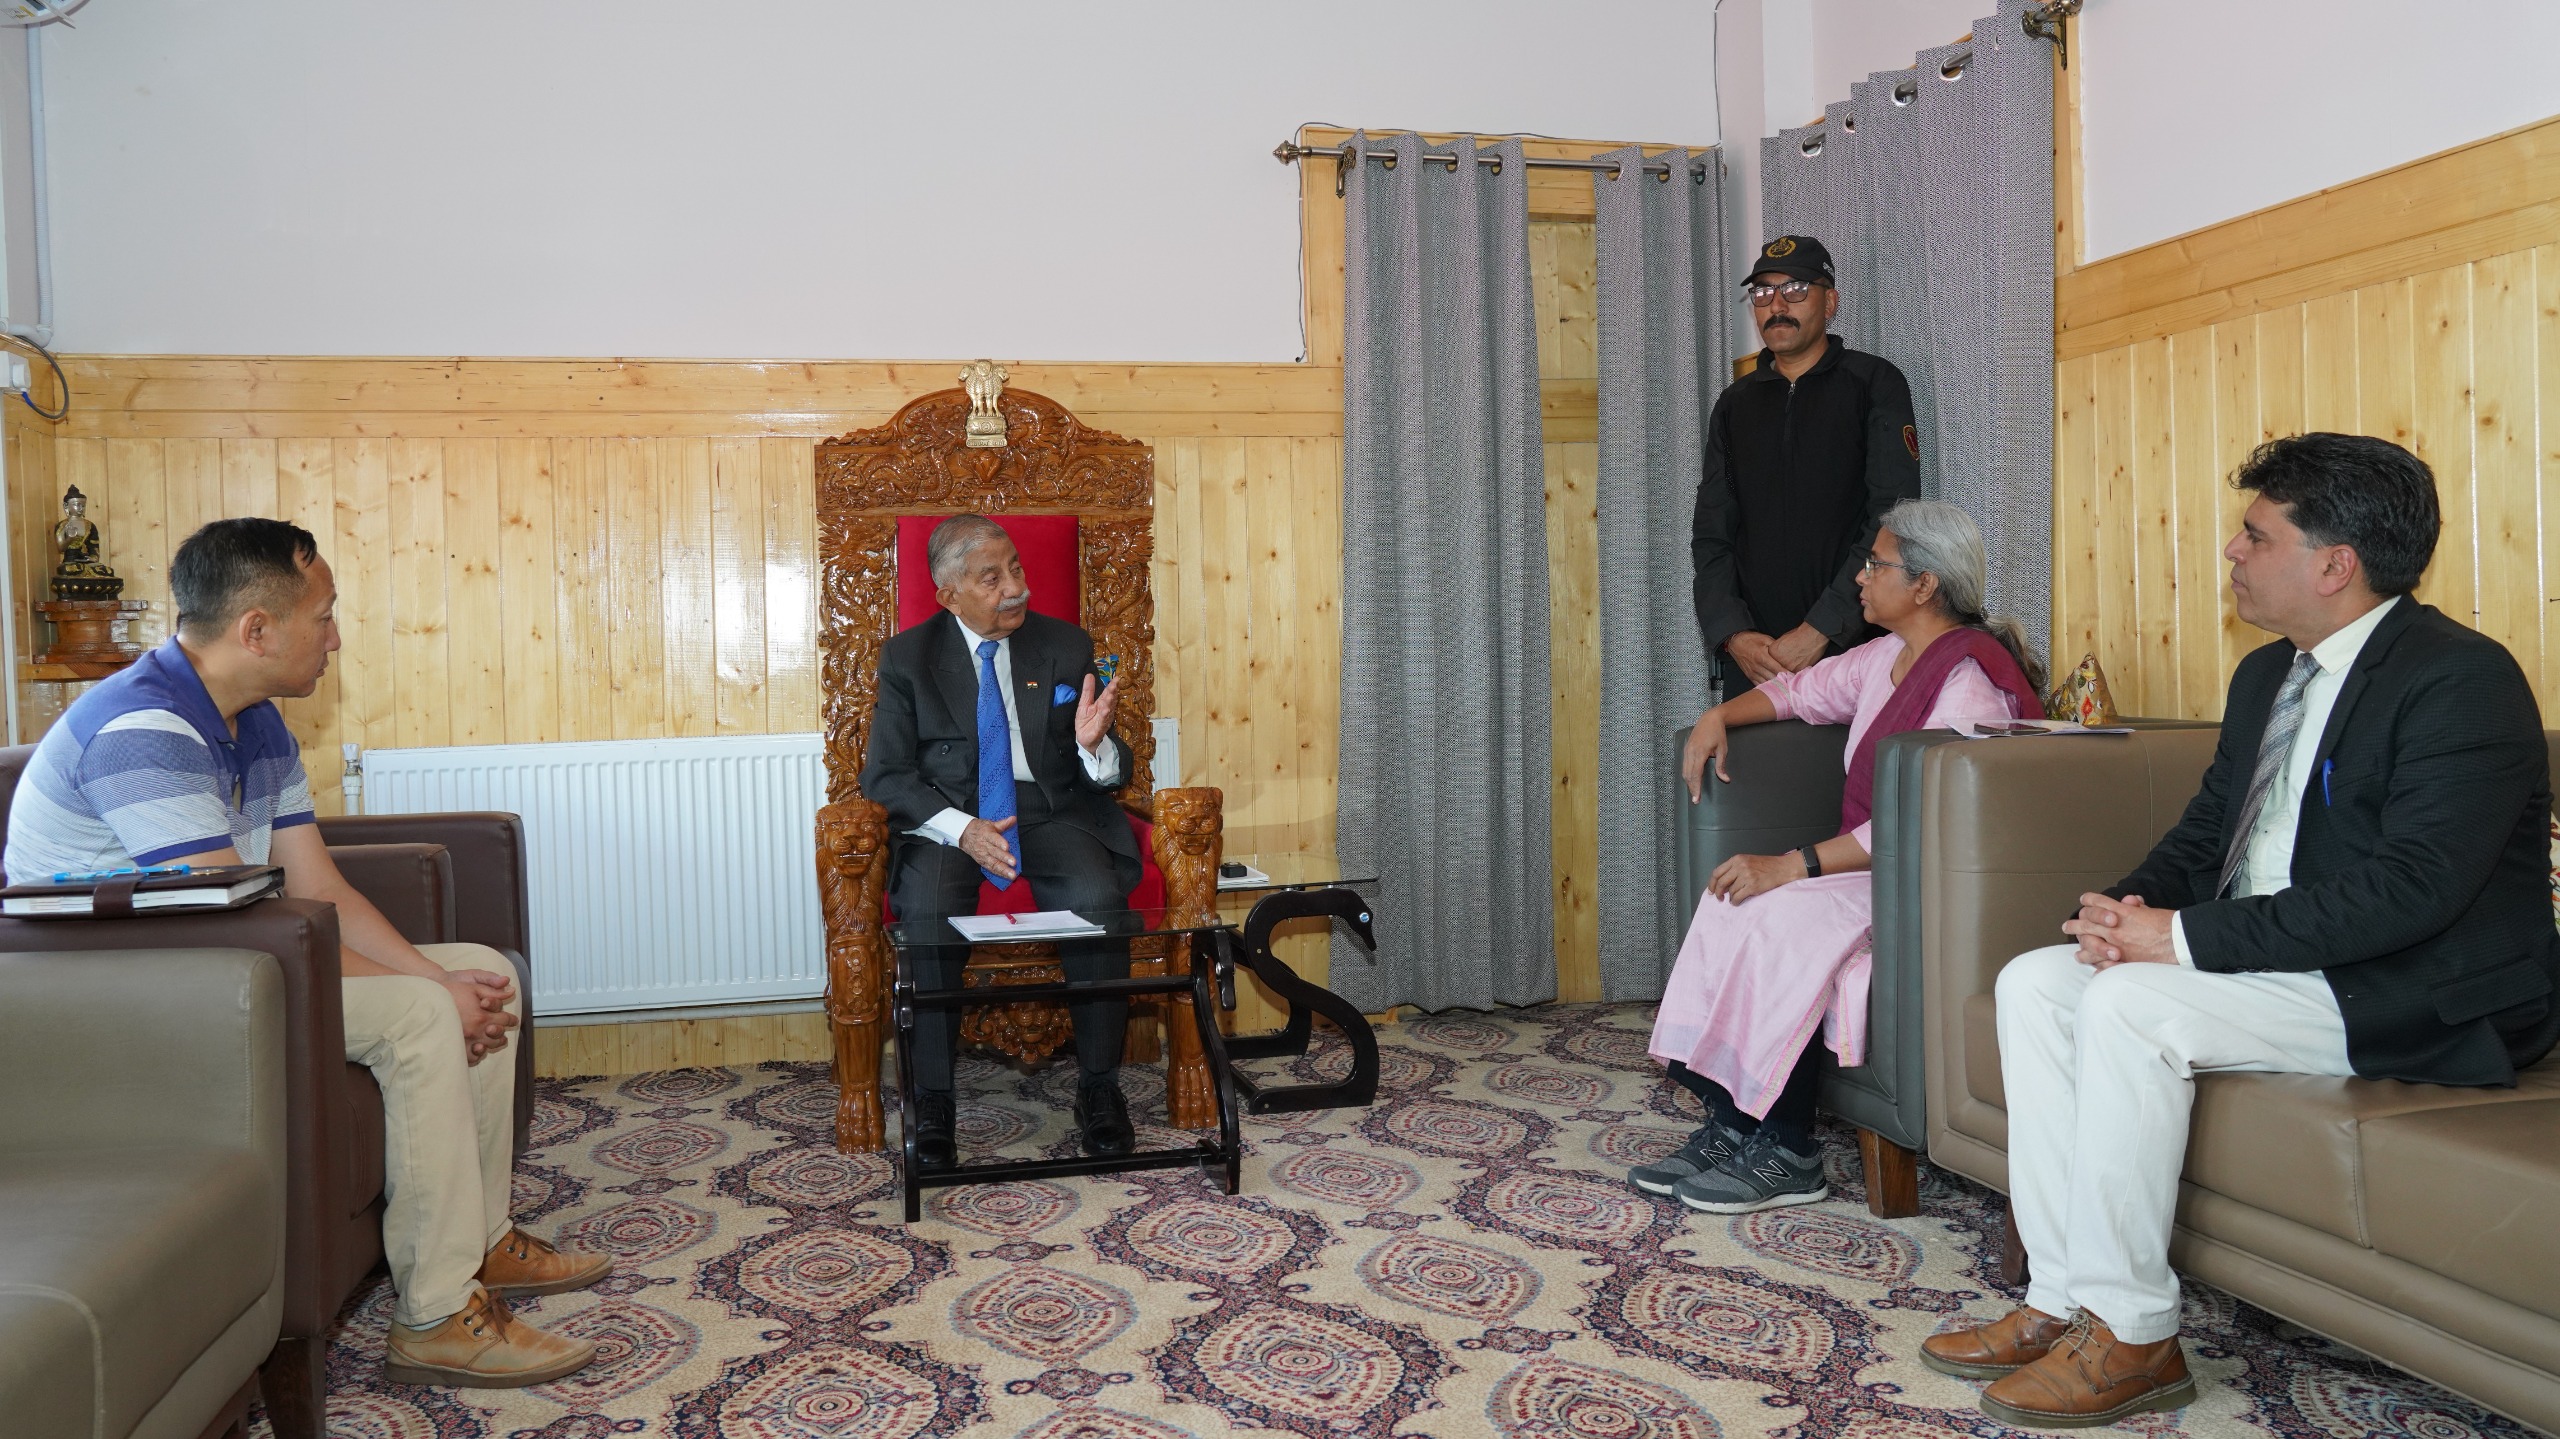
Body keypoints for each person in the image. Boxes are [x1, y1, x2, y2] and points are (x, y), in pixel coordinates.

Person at [1923, 434, 2560, 1429]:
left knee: (2134, 1000)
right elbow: (2211, 828)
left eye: (2255, 534)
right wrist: (2121, 908)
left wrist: (2172, 943)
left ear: (2332, 563)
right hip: (2280, 962)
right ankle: (2059, 1297)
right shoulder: (2270, 674)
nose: (2231, 549)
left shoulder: (2460, 682)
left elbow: (2413, 891)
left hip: (2408, 984)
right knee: (2038, 980)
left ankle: (2134, 1335)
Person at [4, 518, 611, 1388]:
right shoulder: (144, 725)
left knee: (480, 969)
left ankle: (478, 1239)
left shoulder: (255, 722)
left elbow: (314, 886)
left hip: (209, 960)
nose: (335, 635)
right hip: (117, 992)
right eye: (323, 615)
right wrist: (426, 993)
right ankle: (437, 1314)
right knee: (416, 1012)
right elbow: (221, 925)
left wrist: (444, 976)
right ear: (256, 630)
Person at [1639, 500, 2042, 1213]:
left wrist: (1793, 864)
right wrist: (1718, 714)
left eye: (1876, 564)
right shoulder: (1888, 655)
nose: (1860, 578)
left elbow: (1921, 824)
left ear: (1923, 586)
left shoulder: (1967, 687)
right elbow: (1799, 691)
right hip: (1866, 865)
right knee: (1736, 895)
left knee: (1781, 912)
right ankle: (1734, 1118)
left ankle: (1790, 1148)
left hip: (1922, 880)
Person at [861, 514, 1142, 1168]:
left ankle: (1099, 1088)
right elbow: (885, 773)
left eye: (1015, 567)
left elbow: (1102, 766)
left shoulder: (1066, 645)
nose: (1015, 586)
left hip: (1048, 810)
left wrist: (1092, 745)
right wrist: (962, 829)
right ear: (948, 593)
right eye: (992, 577)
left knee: (1100, 899)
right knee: (927, 912)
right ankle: (933, 1098)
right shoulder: (908, 658)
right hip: (949, 819)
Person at [1694, 234, 1921, 692]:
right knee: (1754, 766)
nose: (1776, 304)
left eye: (1795, 289)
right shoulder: (1734, 405)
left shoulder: (1873, 384)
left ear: (1830, 300)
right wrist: (1733, 635)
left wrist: (1821, 629)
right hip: (1758, 658)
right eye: (1762, 293)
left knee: (1846, 767)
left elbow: (1893, 521)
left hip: (1853, 646)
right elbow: (1712, 534)